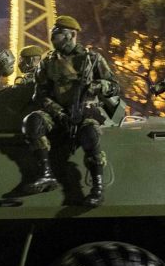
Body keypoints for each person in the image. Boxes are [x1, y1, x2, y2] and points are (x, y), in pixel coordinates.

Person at [22, 15, 121, 207]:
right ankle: (46, 175)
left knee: (90, 136)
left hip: (86, 111)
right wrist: (58, 111)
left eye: (58, 34)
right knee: (32, 122)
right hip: (57, 113)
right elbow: (40, 95)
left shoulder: (92, 59)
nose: (54, 38)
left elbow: (115, 86)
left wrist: (97, 86)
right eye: (53, 34)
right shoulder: (47, 62)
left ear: (71, 35)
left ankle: (97, 188)